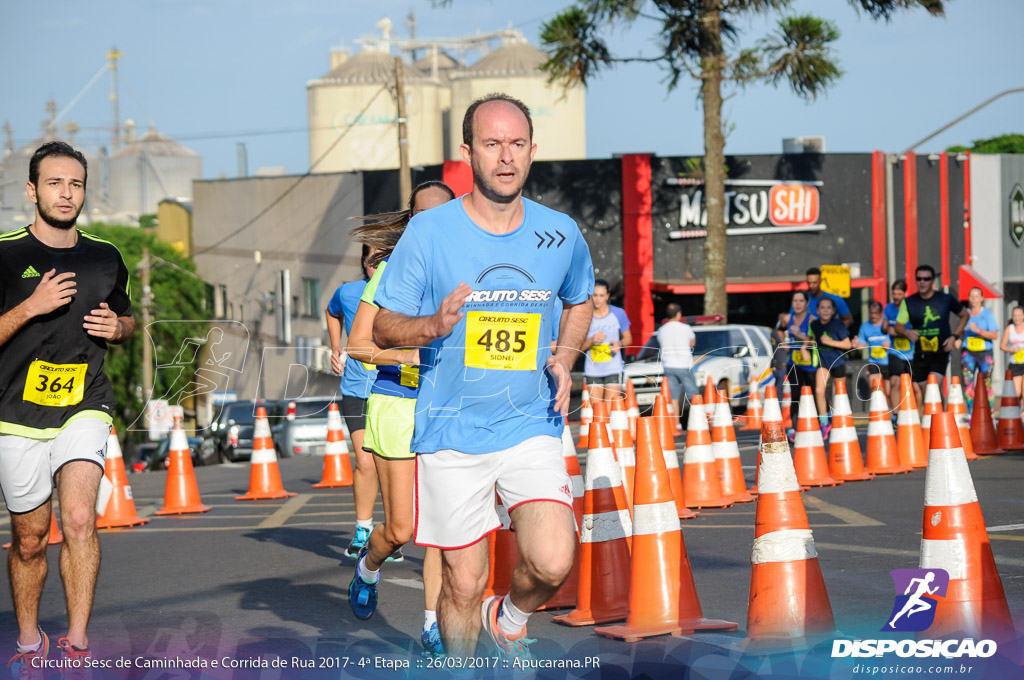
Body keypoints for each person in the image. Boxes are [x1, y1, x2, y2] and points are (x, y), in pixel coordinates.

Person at [371, 93, 594, 659]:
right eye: (492, 144)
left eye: (516, 144)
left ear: (532, 151)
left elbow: (580, 300)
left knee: (553, 560)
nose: (505, 157)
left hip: (530, 421)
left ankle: (511, 616)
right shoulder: (430, 233)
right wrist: (430, 324)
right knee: (463, 583)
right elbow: (382, 326)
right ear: (468, 153)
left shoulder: (560, 232)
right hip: (451, 431)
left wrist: (564, 359)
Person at [0, 142, 135, 676]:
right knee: (30, 538)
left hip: (85, 403)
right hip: (15, 412)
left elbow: (126, 320)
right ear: (32, 190)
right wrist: (30, 308)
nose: (66, 193)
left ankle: (78, 642)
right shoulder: (5, 255)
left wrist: (118, 329)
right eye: (54, 183)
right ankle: (31, 640)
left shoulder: (105, 257)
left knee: (79, 518)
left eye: (75, 184)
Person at [345, 180, 456, 657]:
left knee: (441, 531)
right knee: (402, 530)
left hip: (450, 409)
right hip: (398, 406)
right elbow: (358, 346)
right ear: (412, 224)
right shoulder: (389, 273)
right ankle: (369, 567)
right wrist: (408, 358)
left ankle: (433, 624)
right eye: (422, 217)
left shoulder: (471, 273)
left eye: (444, 216)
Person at [326, 249, 380, 560]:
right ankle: (363, 529)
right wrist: (336, 347)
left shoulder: (406, 289)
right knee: (365, 461)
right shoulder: (348, 293)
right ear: (363, 262)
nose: (377, 263)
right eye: (372, 258)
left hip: (396, 392)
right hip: (357, 390)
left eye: (384, 257)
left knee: (392, 466)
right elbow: (332, 312)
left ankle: (390, 534)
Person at [895, 265, 969, 408]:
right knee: (925, 392)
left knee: (933, 384)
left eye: (926, 279)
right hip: (920, 353)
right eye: (919, 279)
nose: (922, 282)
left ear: (933, 281)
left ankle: (939, 421)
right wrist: (907, 332)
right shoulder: (909, 302)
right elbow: (898, 326)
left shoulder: (945, 299)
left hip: (941, 350)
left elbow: (965, 315)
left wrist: (954, 336)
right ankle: (936, 416)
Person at [580, 279, 631, 406]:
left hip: (613, 369)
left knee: (610, 410)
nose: (598, 299)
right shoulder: (584, 315)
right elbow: (578, 347)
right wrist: (591, 340)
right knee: (598, 413)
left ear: (607, 296)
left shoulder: (618, 313)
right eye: (595, 295)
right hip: (593, 370)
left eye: (601, 295)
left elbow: (629, 338)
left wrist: (619, 344)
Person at [808, 297, 851, 440]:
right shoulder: (814, 325)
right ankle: (824, 422)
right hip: (824, 363)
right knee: (819, 390)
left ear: (833, 311)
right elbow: (810, 340)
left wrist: (830, 342)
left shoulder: (838, 324)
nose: (825, 310)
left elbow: (847, 345)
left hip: (838, 363)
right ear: (818, 310)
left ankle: (840, 420)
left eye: (828, 308)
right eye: (822, 308)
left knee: (839, 395)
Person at [957, 287, 999, 414]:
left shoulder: (987, 314)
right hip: (968, 353)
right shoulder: (965, 314)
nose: (973, 299)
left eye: (976, 297)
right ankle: (971, 412)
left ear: (982, 299)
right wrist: (958, 339)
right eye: (971, 296)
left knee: (986, 383)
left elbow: (995, 335)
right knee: (967, 382)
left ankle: (989, 412)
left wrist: (978, 331)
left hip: (985, 354)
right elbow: (961, 332)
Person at [655, 303, 698, 420]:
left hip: (668, 365)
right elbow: (692, 343)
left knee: (673, 396)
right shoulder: (686, 328)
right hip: (684, 364)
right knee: (693, 394)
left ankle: (676, 423)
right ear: (679, 314)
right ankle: (698, 420)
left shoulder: (661, 330)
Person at [784, 290, 816, 441]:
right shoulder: (787, 319)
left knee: (813, 393)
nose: (797, 304)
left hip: (810, 363)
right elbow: (782, 334)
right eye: (795, 301)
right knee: (795, 394)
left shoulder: (812, 320)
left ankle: (819, 423)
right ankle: (793, 428)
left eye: (801, 301)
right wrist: (786, 345)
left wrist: (800, 336)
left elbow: (816, 341)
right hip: (793, 362)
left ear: (807, 303)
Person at [884, 279, 918, 414]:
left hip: (911, 353)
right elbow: (887, 329)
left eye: (899, 293)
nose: (896, 297)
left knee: (916, 387)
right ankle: (895, 414)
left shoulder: (911, 307)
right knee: (894, 382)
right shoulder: (888, 308)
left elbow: (915, 333)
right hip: (895, 352)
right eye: (894, 294)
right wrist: (904, 333)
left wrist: (896, 331)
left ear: (905, 293)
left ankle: (919, 414)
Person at [789, 267, 854, 328]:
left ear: (821, 280)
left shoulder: (835, 299)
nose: (811, 286)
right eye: (809, 283)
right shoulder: (800, 299)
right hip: (805, 338)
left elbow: (848, 320)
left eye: (814, 283)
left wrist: (834, 332)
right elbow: (791, 320)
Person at [853, 301, 890, 382]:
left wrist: (889, 346)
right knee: (875, 389)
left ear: (881, 313)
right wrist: (856, 344)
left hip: (888, 362)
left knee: (888, 391)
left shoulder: (887, 324)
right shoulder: (865, 326)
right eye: (871, 313)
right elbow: (861, 345)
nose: (873, 315)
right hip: (873, 363)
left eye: (876, 313)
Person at [999, 306, 1024, 399]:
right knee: (1017, 393)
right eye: (1014, 315)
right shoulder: (1009, 329)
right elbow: (1002, 346)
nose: (1017, 318)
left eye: (1019, 315)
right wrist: (1012, 350)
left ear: (1023, 316)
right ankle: (1019, 409)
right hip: (1015, 364)